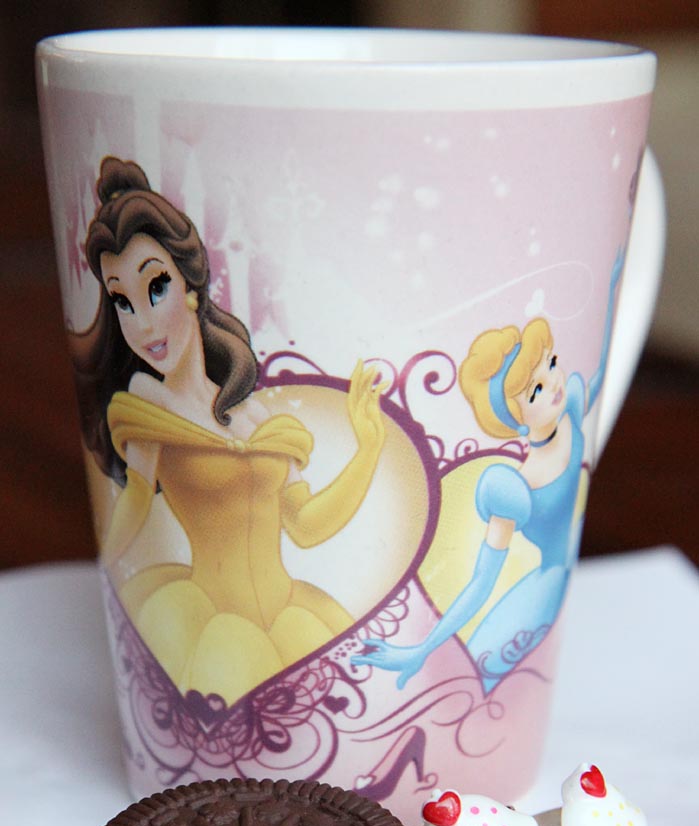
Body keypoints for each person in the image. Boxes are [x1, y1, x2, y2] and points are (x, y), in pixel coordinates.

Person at [72, 156, 386, 702]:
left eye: (156, 287)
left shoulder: (257, 419)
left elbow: (306, 526)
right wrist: (112, 576)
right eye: (122, 301)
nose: (142, 323)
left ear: (190, 285)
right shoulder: (148, 406)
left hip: (290, 616)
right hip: (208, 620)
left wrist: (369, 448)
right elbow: (135, 505)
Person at [352, 251, 624, 694]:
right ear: (517, 420)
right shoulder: (514, 488)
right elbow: (482, 583)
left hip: (555, 585)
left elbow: (598, 370)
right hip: (540, 591)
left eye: (550, 365)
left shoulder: (571, 409)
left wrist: (612, 291)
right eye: (536, 390)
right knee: (479, 678)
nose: (554, 384)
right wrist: (422, 649)